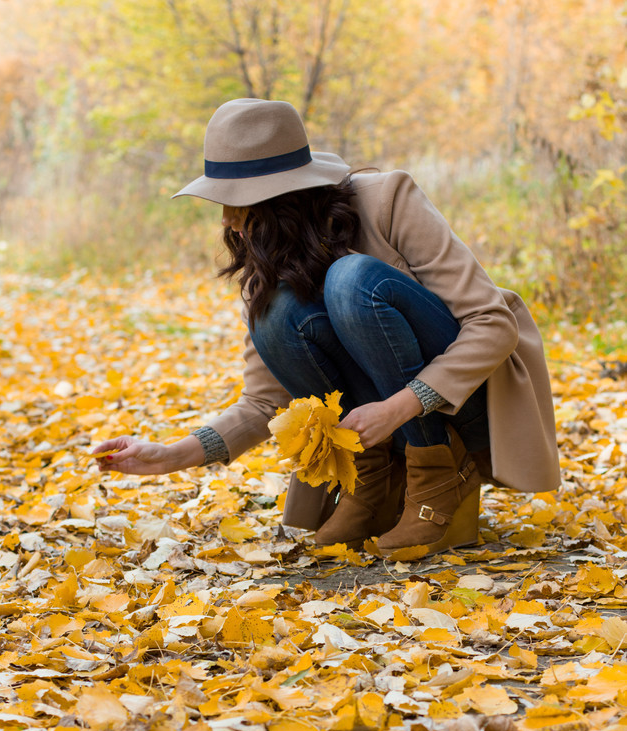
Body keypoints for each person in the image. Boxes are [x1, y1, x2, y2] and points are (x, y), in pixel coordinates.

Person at [94, 98, 560, 559]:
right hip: (378, 431)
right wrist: (172, 455)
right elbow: (264, 400)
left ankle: (440, 471)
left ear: (285, 196)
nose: (227, 221)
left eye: (237, 204)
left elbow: (492, 323)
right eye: (222, 203)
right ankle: (371, 479)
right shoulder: (269, 260)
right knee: (272, 312)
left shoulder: (388, 200)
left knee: (351, 279)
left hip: (462, 409)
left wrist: (400, 407)